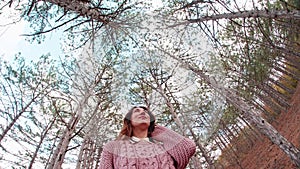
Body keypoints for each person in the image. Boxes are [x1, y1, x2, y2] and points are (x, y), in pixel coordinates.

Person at [98, 106, 196, 169]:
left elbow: (188, 147)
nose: (143, 113)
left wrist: (156, 130)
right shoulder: (113, 147)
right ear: (129, 121)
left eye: (145, 112)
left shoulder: (163, 148)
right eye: (137, 111)